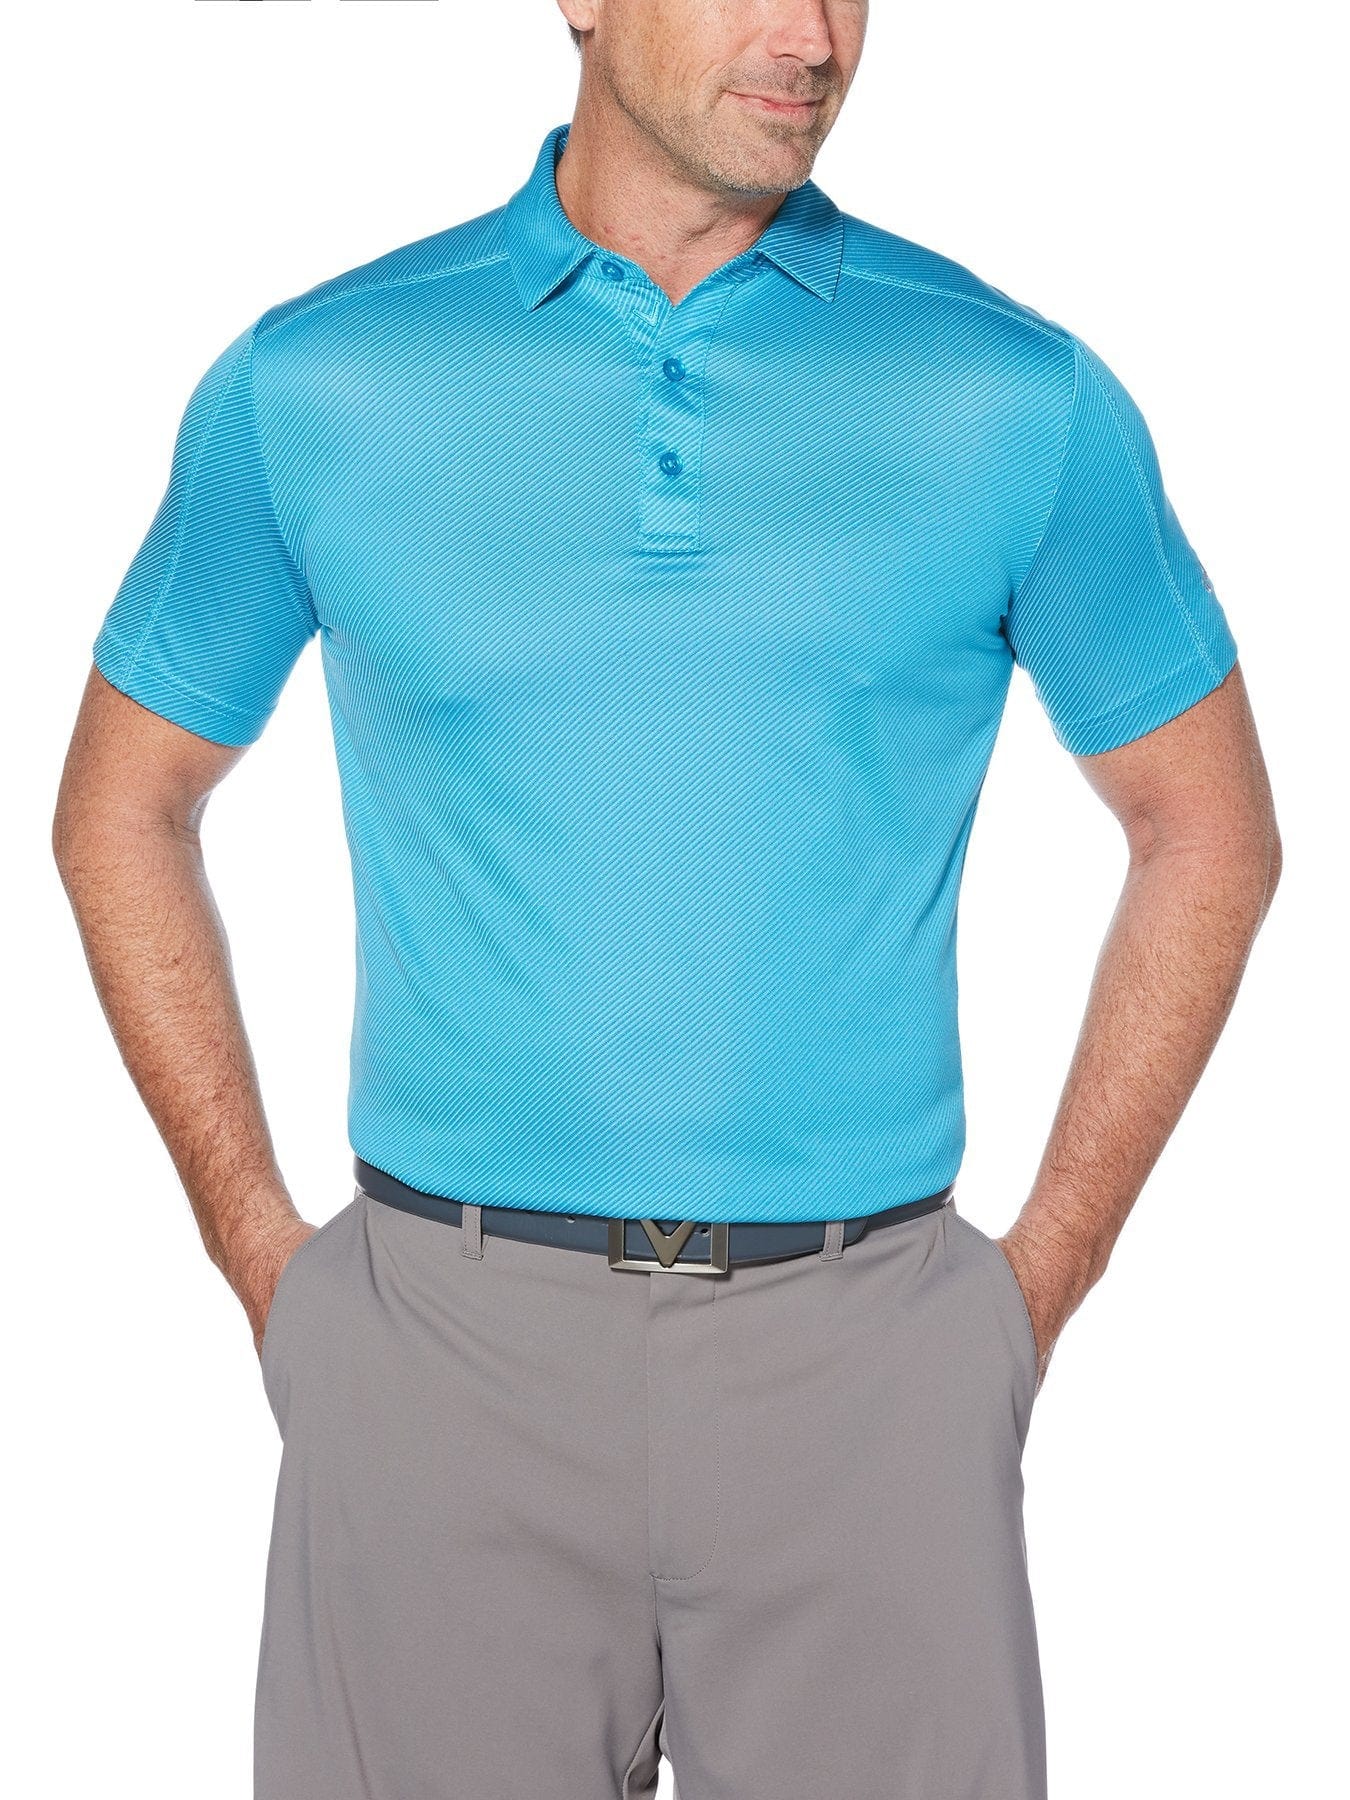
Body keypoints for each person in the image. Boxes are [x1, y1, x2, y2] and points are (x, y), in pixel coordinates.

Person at [51, 3, 1281, 1795]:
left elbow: (1207, 829)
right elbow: (123, 806)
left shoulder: (1010, 398)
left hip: (870, 1366)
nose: (812, 34)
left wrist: (1025, 1294)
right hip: (435, 1356)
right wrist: (271, 1264)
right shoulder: (319, 383)